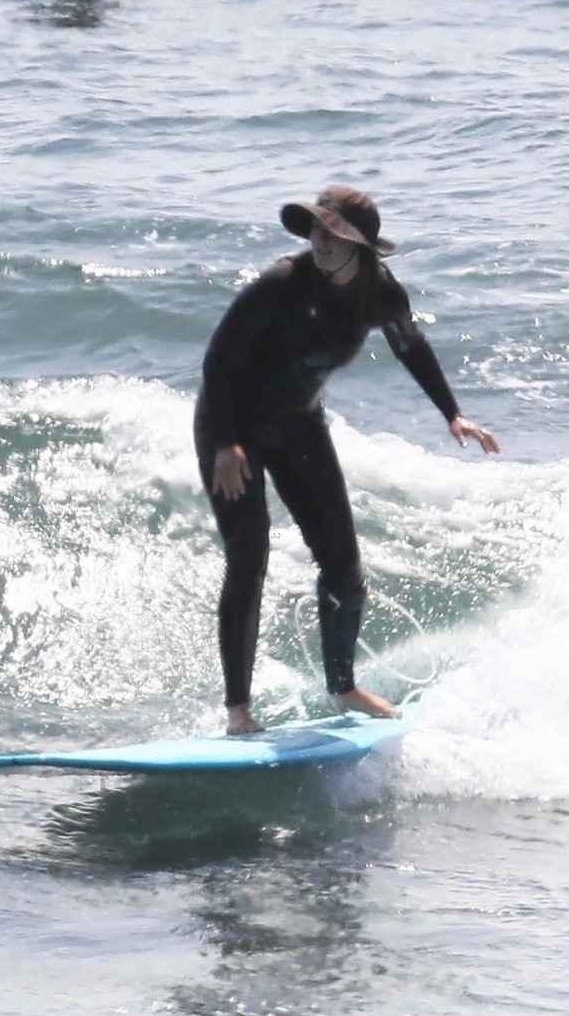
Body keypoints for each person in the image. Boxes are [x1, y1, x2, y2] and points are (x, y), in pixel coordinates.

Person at [194, 185, 500, 735]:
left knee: (344, 565)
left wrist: (453, 415)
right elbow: (217, 361)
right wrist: (223, 444)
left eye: (336, 234)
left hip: (298, 426)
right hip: (233, 430)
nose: (323, 242)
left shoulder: (379, 293)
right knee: (249, 552)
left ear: (362, 246)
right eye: (317, 230)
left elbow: (411, 347)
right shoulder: (282, 283)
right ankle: (239, 712)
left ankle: (343, 688)